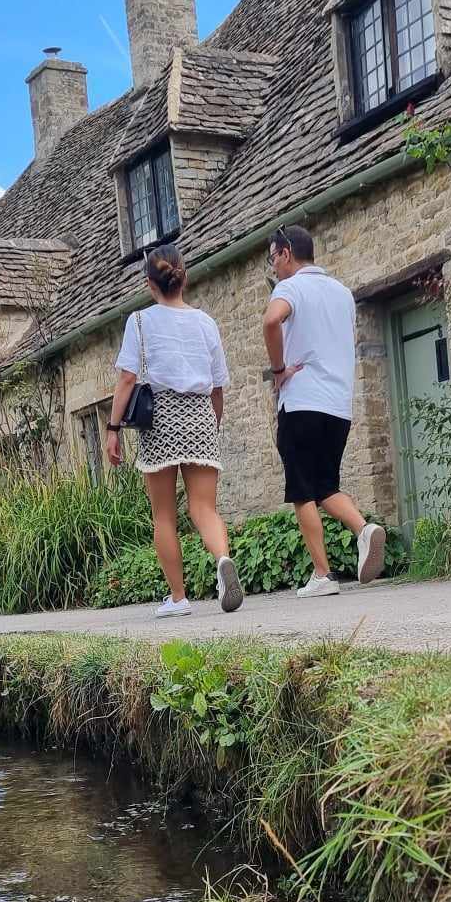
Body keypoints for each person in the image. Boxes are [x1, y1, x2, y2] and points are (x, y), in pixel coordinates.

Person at [107, 244, 244, 619]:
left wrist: (112, 427)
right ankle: (222, 560)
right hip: (200, 414)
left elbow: (127, 378)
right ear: (184, 277)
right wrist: (210, 423)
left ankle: (179, 598)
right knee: (204, 507)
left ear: (150, 283)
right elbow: (218, 387)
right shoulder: (205, 323)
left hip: (161, 416)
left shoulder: (139, 322)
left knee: (164, 514)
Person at [262, 225, 386, 597]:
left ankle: (322, 575)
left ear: (286, 253)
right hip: (338, 406)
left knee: (302, 490)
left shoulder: (291, 287)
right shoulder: (342, 293)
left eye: (273, 258)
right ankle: (364, 529)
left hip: (302, 401)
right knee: (325, 485)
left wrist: (279, 369)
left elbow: (271, 321)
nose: (273, 267)